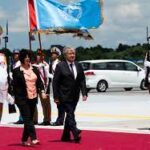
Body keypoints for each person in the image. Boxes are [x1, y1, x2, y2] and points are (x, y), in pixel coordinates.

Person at [52, 47, 87, 143]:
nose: (72, 55)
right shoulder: (60, 66)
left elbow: (82, 80)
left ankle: (65, 136)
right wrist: (56, 97)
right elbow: (55, 82)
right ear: (65, 55)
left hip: (75, 95)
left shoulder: (78, 65)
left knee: (69, 115)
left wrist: (84, 93)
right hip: (64, 95)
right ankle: (75, 132)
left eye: (74, 54)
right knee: (70, 113)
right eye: (70, 54)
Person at [12, 50, 47, 146]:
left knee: (29, 119)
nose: (27, 58)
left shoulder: (34, 69)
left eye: (28, 56)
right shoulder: (16, 71)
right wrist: (14, 97)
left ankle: (23, 139)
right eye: (25, 57)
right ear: (22, 58)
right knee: (28, 119)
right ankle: (34, 138)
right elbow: (14, 86)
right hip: (22, 98)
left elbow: (39, 82)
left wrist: (43, 92)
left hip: (33, 97)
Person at [33, 52, 51, 125]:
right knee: (33, 103)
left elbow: (47, 76)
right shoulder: (33, 65)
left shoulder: (46, 65)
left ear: (44, 56)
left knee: (45, 103)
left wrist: (41, 66)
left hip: (43, 85)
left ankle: (47, 119)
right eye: (38, 55)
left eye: (41, 55)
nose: (39, 57)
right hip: (34, 86)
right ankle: (34, 119)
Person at [49, 46, 65, 126]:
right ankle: (59, 119)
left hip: (59, 85)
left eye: (54, 54)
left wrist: (52, 76)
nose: (52, 55)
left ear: (58, 55)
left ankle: (60, 120)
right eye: (52, 54)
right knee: (58, 103)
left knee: (60, 103)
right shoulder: (52, 63)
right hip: (55, 85)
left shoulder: (59, 63)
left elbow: (59, 75)